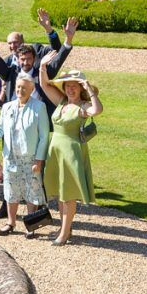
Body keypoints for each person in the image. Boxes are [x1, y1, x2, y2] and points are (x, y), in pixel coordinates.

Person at [0, 15, 74, 219]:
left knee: (36, 170)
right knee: (11, 170)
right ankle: (6, 209)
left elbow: (60, 56)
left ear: (34, 59)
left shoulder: (45, 71)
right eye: (21, 59)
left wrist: (67, 39)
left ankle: (40, 210)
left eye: (28, 59)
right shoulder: (10, 72)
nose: (24, 62)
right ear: (17, 58)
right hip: (13, 126)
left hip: (36, 126)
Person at [39, 50, 102, 246]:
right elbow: (43, 84)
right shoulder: (62, 102)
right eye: (68, 86)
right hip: (55, 151)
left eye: (74, 86)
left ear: (80, 88)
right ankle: (65, 228)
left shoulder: (83, 106)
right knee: (59, 191)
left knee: (68, 194)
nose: (70, 89)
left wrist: (89, 89)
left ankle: (65, 233)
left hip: (71, 152)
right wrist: (42, 66)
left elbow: (97, 110)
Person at [0, 72, 50, 238]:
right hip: (11, 157)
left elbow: (44, 136)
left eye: (24, 88)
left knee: (32, 191)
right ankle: (11, 222)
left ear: (31, 89)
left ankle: (31, 225)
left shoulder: (39, 107)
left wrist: (39, 159)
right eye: (18, 87)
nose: (20, 90)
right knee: (11, 190)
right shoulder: (7, 107)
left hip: (30, 158)